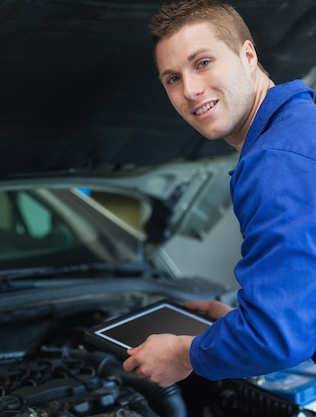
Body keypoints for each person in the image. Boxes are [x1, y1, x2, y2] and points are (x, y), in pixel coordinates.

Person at [122, 0, 316, 387]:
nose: (191, 90)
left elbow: (276, 338)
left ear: (247, 55)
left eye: (203, 62)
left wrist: (185, 354)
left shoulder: (275, 162)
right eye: (172, 79)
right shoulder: (302, 125)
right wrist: (240, 325)